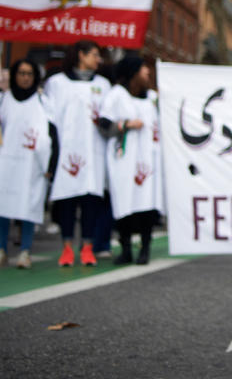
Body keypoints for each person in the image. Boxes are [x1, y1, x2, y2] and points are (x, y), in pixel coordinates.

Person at [0, 60, 59, 269]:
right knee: (3, 205)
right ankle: (1, 250)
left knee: (27, 205)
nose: (25, 78)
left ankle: (25, 250)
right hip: (5, 162)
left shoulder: (43, 101)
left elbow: (53, 134)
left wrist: (51, 165)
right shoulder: (1, 100)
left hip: (31, 165)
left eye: (29, 74)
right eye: (21, 73)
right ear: (15, 75)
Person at [44, 40, 112, 267]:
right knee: (67, 201)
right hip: (67, 152)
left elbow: (110, 116)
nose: (98, 60)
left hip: (94, 153)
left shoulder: (103, 85)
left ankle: (88, 247)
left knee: (91, 201)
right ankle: (66, 248)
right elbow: (49, 119)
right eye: (94, 55)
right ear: (81, 56)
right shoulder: (57, 83)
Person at [98, 55, 165, 265]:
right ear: (133, 72)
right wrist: (124, 125)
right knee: (123, 202)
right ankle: (126, 248)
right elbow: (103, 124)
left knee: (146, 203)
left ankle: (145, 248)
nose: (147, 74)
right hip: (124, 159)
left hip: (147, 159)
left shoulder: (152, 98)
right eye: (143, 70)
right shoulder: (116, 95)